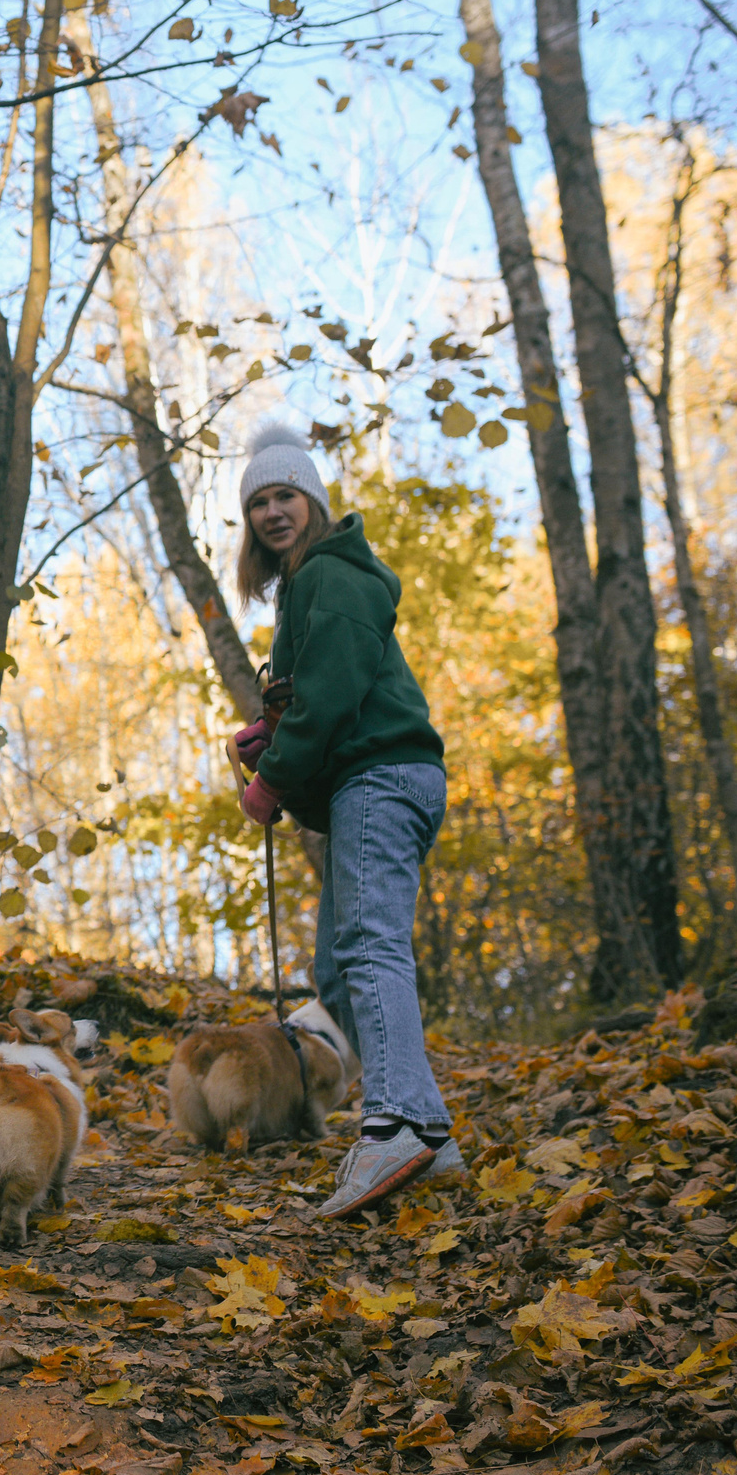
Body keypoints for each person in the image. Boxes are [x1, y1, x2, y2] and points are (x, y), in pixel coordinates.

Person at [226, 425, 464, 1218]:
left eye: (284, 495)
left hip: (382, 775)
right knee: (339, 965)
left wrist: (274, 779)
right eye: (258, 502)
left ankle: (393, 1122)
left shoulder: (335, 571)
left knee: (369, 947)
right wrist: (273, 736)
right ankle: (429, 1128)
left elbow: (331, 695)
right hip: (368, 778)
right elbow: (319, 695)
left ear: (314, 501)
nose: (271, 512)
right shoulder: (305, 587)